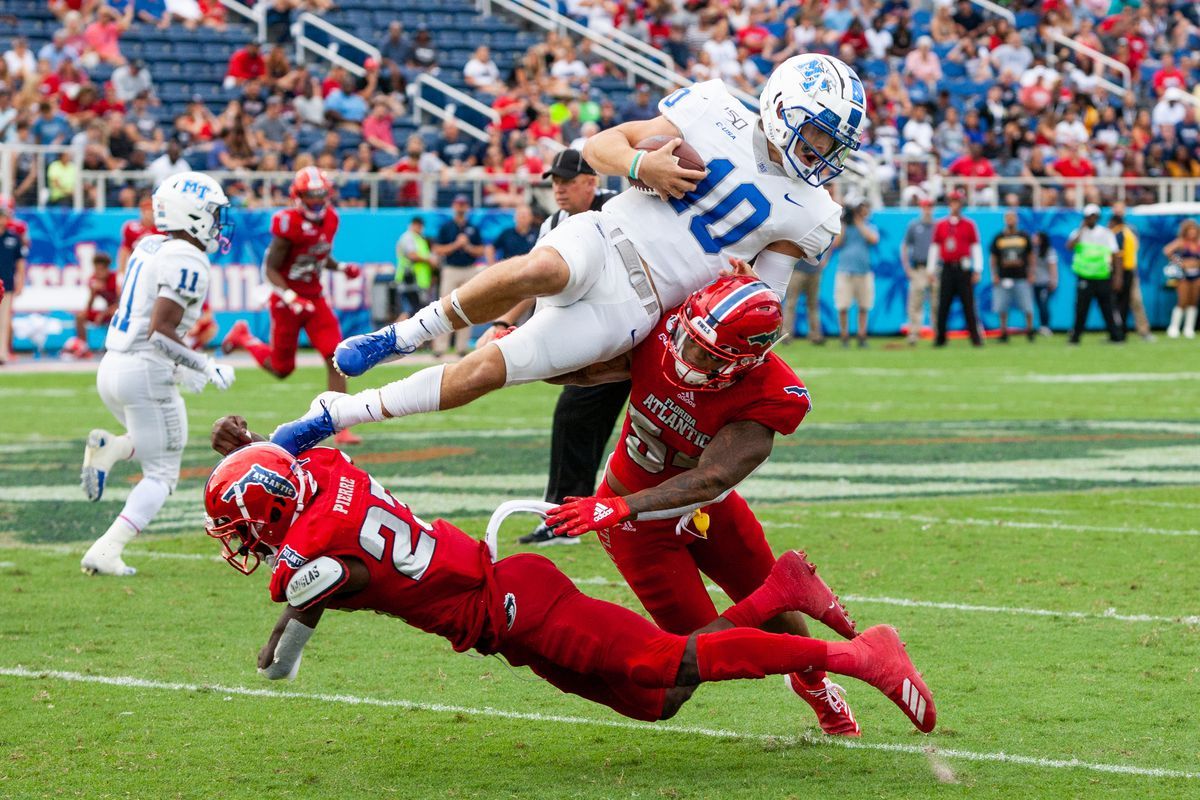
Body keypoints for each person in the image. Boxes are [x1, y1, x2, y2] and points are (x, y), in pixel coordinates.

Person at [272, 55, 865, 453]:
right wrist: (641, 164)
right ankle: (404, 335)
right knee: (542, 268)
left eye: (831, 142)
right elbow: (598, 144)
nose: (821, 151)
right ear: (781, 106)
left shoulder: (813, 211)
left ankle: (334, 416)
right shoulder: (713, 108)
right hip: (609, 237)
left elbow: (768, 304)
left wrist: (745, 289)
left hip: (638, 308)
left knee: (485, 372)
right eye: (816, 133)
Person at [200, 431, 936, 732]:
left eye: (244, 527)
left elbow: (310, 602)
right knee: (658, 702)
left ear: (270, 508)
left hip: (518, 604)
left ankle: (862, 657)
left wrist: (284, 639)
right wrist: (251, 449)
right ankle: (779, 593)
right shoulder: (323, 472)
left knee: (671, 664)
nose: (248, 543)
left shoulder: (314, 552)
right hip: (506, 614)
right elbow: (297, 477)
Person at [539, 274, 862, 735]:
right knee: (696, 658)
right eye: (690, 341)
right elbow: (580, 368)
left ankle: (814, 682)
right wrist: (519, 353)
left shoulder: (770, 393)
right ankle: (788, 592)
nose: (689, 357)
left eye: (710, 355)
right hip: (637, 529)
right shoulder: (662, 329)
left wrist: (622, 506)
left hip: (703, 507)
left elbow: (712, 477)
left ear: (748, 362)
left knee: (769, 604)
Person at [79, 171, 236, 576]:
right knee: (163, 473)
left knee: (149, 442)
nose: (218, 222)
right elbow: (161, 331)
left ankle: (112, 449)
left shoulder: (150, 244)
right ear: (193, 215)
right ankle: (107, 549)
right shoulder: (187, 259)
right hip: (144, 370)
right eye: (212, 213)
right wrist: (203, 363)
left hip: (113, 365)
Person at [486, 149, 624, 547]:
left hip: (632, 331)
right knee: (578, 418)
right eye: (555, 182)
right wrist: (504, 321)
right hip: (601, 339)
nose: (559, 189)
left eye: (567, 181)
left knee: (639, 424)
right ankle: (567, 517)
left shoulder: (618, 210)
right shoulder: (553, 222)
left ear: (591, 182)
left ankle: (569, 519)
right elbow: (532, 281)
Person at [220, 167, 363, 446]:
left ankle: (341, 425)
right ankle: (244, 337)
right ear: (298, 197)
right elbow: (270, 269)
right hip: (286, 301)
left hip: (314, 297)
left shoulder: (331, 219)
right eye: (311, 196)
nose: (317, 201)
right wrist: (290, 297)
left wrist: (342, 267)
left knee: (337, 357)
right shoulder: (287, 223)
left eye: (321, 195)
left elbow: (317, 255)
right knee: (282, 369)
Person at [429, 195, 485, 359]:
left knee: (467, 307)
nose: (461, 207)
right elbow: (438, 249)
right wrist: (456, 245)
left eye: (463, 204)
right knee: (444, 308)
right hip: (451, 268)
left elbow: (481, 250)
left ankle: (462, 346)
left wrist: (466, 246)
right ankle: (440, 347)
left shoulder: (472, 228)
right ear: (454, 206)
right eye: (458, 204)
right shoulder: (447, 227)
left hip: (469, 269)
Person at [929, 191, 983, 347]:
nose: (954, 205)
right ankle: (940, 338)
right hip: (947, 268)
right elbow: (935, 248)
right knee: (943, 305)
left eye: (957, 202)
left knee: (968, 305)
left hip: (963, 268)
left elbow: (975, 248)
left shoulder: (969, 225)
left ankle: (975, 337)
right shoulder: (941, 225)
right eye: (952, 202)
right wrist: (931, 270)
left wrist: (977, 269)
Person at [1066, 204, 1122, 345]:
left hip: (1102, 276)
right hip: (1085, 276)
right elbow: (1069, 246)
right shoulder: (1079, 232)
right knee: (1081, 309)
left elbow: (1116, 255)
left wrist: (1117, 276)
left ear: (1097, 217)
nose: (1091, 219)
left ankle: (1115, 336)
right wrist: (1081, 229)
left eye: (1093, 216)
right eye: (1088, 217)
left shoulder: (1105, 233)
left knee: (1107, 308)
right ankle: (1076, 336)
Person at [831, 202, 878, 348]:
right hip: (845, 271)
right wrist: (844, 222)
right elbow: (836, 243)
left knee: (864, 305)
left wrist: (859, 222)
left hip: (863, 271)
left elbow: (873, 239)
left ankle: (861, 336)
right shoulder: (844, 226)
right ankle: (844, 336)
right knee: (843, 305)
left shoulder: (869, 225)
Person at [1109, 203, 1153, 342]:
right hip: (1115, 270)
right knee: (1115, 303)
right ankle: (1117, 332)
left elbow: (1134, 248)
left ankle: (1143, 330)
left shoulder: (1130, 229)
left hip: (1129, 270)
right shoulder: (1110, 229)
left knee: (1136, 301)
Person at [988, 210, 1035, 343]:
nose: (1010, 220)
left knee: (1027, 305)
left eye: (1012, 217)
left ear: (1017, 219)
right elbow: (993, 257)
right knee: (1002, 306)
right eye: (1008, 218)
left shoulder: (1023, 236)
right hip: (1004, 277)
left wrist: (1031, 273)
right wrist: (995, 274)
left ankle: (1030, 330)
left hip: (1021, 276)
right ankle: (1003, 332)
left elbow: (1031, 255)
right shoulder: (999, 237)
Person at [65, 250, 118, 358]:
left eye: (101, 270)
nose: (98, 272)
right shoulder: (93, 280)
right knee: (80, 316)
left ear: (107, 269)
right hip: (106, 312)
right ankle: (83, 348)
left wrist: (103, 314)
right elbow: (90, 302)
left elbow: (121, 303)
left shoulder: (116, 279)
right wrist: (87, 311)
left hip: (117, 311)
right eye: (96, 269)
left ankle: (115, 348)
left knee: (114, 313)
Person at [901, 198, 936, 345]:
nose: (927, 210)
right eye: (925, 207)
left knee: (936, 302)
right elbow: (905, 246)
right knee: (915, 302)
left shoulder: (938, 226)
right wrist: (907, 267)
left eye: (930, 207)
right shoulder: (914, 225)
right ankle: (914, 333)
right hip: (919, 268)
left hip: (934, 268)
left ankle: (938, 334)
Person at [0, 200, 29, 365]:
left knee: (4, 320)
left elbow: (20, 262)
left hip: (6, 284)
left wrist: (21, 281)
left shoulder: (13, 238)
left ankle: (2, 354)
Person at [393, 216, 436, 321]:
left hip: (417, 282)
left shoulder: (419, 239)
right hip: (409, 280)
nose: (419, 227)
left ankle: (395, 334)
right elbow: (412, 255)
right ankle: (392, 334)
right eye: (416, 225)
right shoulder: (409, 237)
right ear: (412, 225)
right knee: (410, 311)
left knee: (415, 312)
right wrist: (429, 259)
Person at [1163, 218, 1200, 339]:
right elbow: (1167, 250)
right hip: (1183, 275)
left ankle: (1189, 328)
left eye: (1194, 230)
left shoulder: (1198, 243)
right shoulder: (1181, 242)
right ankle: (1174, 327)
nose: (1192, 233)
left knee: (1193, 300)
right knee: (1182, 300)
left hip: (1197, 274)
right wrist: (1180, 262)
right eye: (1190, 230)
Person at [783, 251, 825, 346]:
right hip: (798, 270)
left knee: (812, 304)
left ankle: (815, 336)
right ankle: (785, 336)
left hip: (813, 271)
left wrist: (825, 259)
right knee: (792, 303)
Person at [118, 193, 158, 278]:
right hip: (136, 267)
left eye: (151, 211)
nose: (149, 214)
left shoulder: (161, 229)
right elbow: (125, 250)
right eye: (146, 210)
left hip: (155, 268)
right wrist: (121, 273)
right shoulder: (131, 227)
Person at [1030, 232, 1057, 336]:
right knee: (1037, 304)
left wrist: (1053, 280)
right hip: (1034, 282)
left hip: (1045, 282)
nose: (1033, 239)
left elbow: (1053, 267)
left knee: (1043, 304)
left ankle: (1045, 326)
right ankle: (1039, 326)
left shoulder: (1049, 251)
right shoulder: (1032, 251)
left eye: (1036, 237)